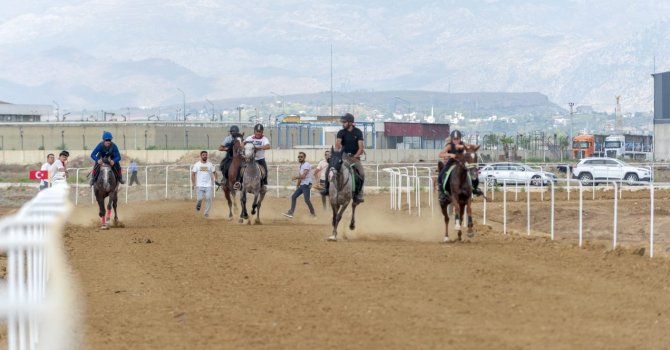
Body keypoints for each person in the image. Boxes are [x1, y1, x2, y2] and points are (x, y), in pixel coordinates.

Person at [321, 113, 365, 203]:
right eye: (342, 122)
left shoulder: (358, 132)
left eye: (344, 122)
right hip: (343, 156)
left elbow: (361, 148)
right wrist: (340, 154)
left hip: (355, 157)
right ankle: (326, 188)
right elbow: (337, 145)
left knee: (362, 173)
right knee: (329, 168)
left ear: (350, 122)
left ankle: (358, 194)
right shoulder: (341, 132)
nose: (343, 124)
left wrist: (355, 156)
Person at [437, 129, 483, 200]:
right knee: (441, 175)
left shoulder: (463, 144)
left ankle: (475, 189)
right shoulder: (449, 146)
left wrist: (465, 146)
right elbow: (440, 154)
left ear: (460, 139)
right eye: (454, 139)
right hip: (451, 163)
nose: (456, 141)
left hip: (461, 163)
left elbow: (474, 146)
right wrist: (450, 154)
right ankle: (442, 193)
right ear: (452, 139)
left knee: (473, 174)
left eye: (457, 139)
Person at [282, 152, 316, 218]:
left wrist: (295, 177)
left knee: (307, 200)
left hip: (306, 184)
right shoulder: (300, 166)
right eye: (299, 157)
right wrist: (297, 185)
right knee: (294, 196)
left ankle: (313, 214)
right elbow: (301, 176)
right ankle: (291, 213)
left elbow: (303, 176)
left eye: (301, 157)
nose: (299, 158)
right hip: (302, 185)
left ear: (304, 157)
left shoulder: (306, 165)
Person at [191, 151, 216, 218]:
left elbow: (214, 173)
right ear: (201, 156)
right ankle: (198, 205)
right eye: (203, 155)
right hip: (199, 185)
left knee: (208, 198)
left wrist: (215, 179)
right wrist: (193, 183)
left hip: (208, 185)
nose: (205, 156)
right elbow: (193, 174)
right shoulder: (197, 164)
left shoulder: (210, 164)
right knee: (199, 199)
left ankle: (206, 213)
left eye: (206, 155)